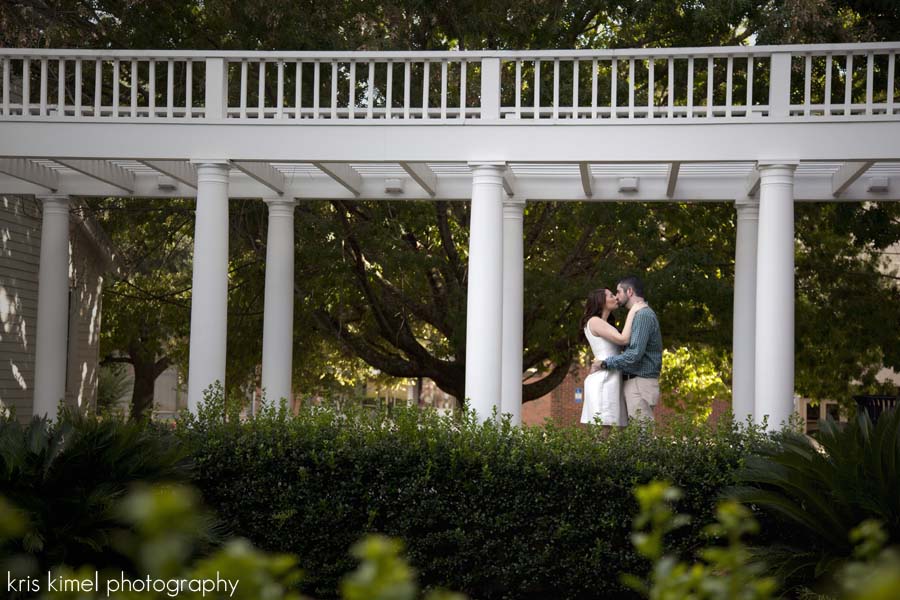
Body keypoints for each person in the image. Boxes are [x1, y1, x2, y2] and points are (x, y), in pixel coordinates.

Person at [593, 276, 662, 423]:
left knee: (642, 437)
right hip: (635, 382)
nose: (616, 296)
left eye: (618, 292)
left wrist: (605, 363)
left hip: (640, 382)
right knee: (636, 436)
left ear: (629, 291)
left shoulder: (643, 315)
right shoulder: (638, 315)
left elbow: (634, 355)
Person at [580, 288, 646, 428]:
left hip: (612, 376)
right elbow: (623, 340)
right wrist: (633, 311)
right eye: (611, 295)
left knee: (616, 428)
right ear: (601, 301)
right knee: (603, 429)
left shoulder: (605, 323)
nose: (616, 298)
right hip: (604, 379)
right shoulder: (594, 321)